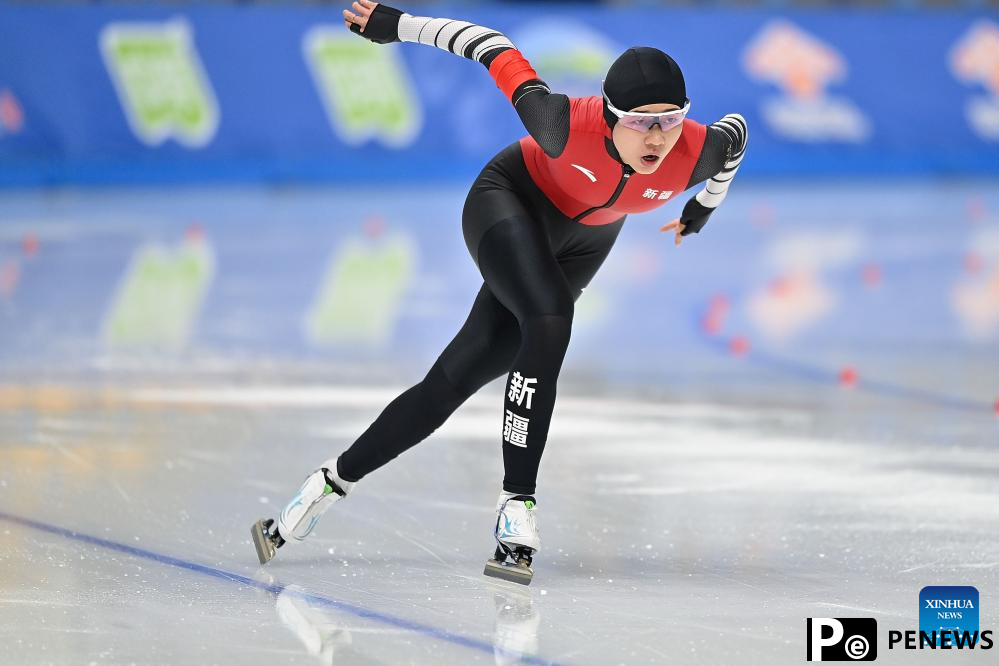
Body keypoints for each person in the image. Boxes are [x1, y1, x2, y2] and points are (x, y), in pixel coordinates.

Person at [252, 0, 748, 584]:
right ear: (610, 115)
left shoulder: (699, 148)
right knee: (550, 317)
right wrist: (397, 26)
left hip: (587, 240)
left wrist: (701, 211)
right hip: (510, 200)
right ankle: (518, 506)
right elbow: (491, 44)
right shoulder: (560, 122)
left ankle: (326, 484)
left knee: (456, 377)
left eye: (669, 119)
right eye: (640, 121)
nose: (658, 136)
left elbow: (735, 141)